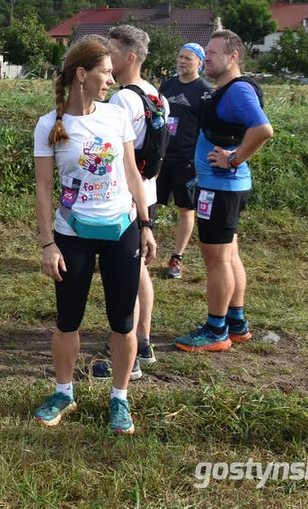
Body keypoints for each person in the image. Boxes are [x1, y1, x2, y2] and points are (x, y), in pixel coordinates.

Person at [32, 37, 157, 435]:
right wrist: (48, 243)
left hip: (122, 231)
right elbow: (44, 188)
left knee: (123, 322)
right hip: (72, 235)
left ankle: (119, 398)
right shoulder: (50, 125)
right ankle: (64, 392)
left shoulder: (116, 116)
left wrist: (145, 223)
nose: (111, 78)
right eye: (105, 72)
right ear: (82, 75)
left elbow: (132, 174)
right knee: (68, 320)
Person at [174, 29, 273, 353]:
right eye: (207, 51)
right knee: (229, 255)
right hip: (226, 187)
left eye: (214, 53)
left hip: (222, 187)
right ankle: (237, 323)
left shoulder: (238, 91)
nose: (208, 57)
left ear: (234, 57)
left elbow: (262, 130)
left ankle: (216, 329)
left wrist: (233, 159)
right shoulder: (229, 90)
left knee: (216, 260)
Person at [91, 25, 169, 380]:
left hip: (126, 196)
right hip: (148, 193)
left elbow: (113, 154)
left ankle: (130, 356)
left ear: (130, 57)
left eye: (112, 51)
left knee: (126, 274)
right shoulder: (156, 94)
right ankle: (145, 341)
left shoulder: (122, 99)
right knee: (139, 271)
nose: (107, 58)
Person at [157, 43, 213, 279]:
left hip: (187, 160)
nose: (181, 62)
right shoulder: (167, 85)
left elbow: (209, 130)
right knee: (147, 204)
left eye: (188, 58)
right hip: (160, 157)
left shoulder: (205, 91)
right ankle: (138, 250)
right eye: (180, 57)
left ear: (199, 62)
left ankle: (176, 257)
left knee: (185, 208)